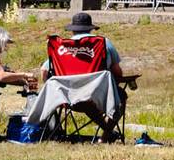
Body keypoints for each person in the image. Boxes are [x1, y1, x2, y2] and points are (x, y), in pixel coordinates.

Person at [39, 12, 130, 142]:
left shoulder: (61, 47)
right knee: (121, 97)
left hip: (67, 99)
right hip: (97, 98)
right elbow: (118, 73)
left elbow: (44, 71)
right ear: (90, 28)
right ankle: (105, 136)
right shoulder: (103, 43)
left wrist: (54, 89)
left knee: (84, 100)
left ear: (72, 30)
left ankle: (107, 133)